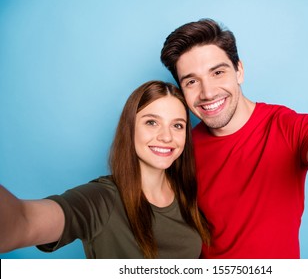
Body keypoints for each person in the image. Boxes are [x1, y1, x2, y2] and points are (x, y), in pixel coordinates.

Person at [160, 18, 308, 259]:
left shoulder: (290, 128)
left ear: (239, 70)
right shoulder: (180, 147)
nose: (207, 93)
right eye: (192, 81)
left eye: (217, 72)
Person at [0, 80, 210, 259]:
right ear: (130, 129)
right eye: (152, 122)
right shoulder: (102, 200)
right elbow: (24, 221)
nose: (166, 137)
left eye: (178, 125)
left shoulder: (188, 193)